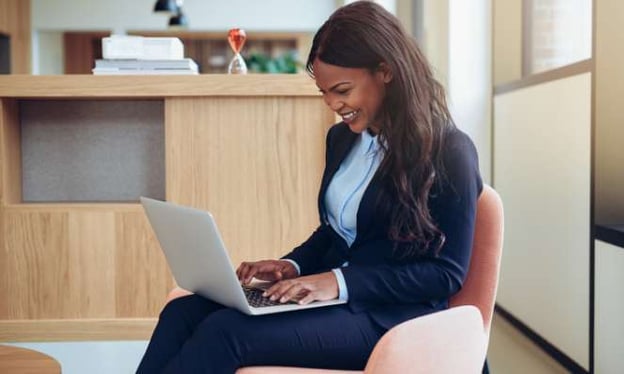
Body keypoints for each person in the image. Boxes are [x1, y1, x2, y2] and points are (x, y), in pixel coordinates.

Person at [136, 1, 482, 372]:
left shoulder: (450, 150)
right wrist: (291, 264)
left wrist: (338, 282)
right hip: (336, 303)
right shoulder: (343, 139)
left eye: (343, 90)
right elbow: (336, 234)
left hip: (393, 317)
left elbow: (446, 274)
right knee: (182, 312)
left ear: (385, 71)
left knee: (227, 331)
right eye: (325, 93)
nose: (334, 105)